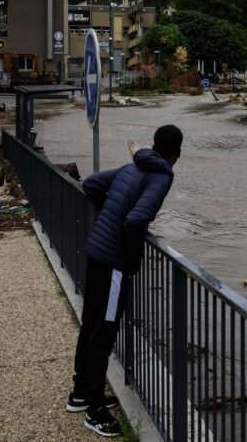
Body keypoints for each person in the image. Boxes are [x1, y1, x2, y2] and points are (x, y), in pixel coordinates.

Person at [68, 124, 183, 437]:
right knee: (104, 332)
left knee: (90, 323)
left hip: (96, 252)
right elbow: (135, 220)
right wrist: (132, 259)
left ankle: (80, 393)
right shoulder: (162, 176)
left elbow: (91, 184)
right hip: (114, 262)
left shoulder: (134, 165)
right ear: (177, 154)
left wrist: (108, 217)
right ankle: (94, 410)